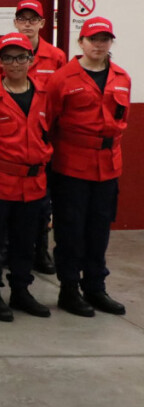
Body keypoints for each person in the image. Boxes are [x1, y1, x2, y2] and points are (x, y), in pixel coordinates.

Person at [47, 17, 129, 317]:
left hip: (108, 167)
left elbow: (121, 119)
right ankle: (69, 289)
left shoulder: (121, 77)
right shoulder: (62, 79)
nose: (99, 44)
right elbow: (50, 123)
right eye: (93, 39)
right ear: (81, 42)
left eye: (105, 39)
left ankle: (95, 287)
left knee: (98, 230)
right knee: (70, 231)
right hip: (72, 167)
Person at [0, 33, 53, 321]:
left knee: (26, 241)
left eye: (21, 57)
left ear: (31, 59)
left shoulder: (46, 94)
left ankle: (21, 291)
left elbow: (50, 133)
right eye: (9, 58)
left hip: (34, 184)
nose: (16, 63)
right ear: (0, 62)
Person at [0, 0, 66, 276]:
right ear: (15, 22)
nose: (27, 23)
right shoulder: (3, 55)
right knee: (7, 205)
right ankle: (8, 249)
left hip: (40, 141)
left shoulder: (56, 56)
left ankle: (40, 250)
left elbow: (60, 99)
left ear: (43, 23)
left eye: (33, 19)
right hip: (10, 139)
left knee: (41, 204)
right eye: (22, 19)